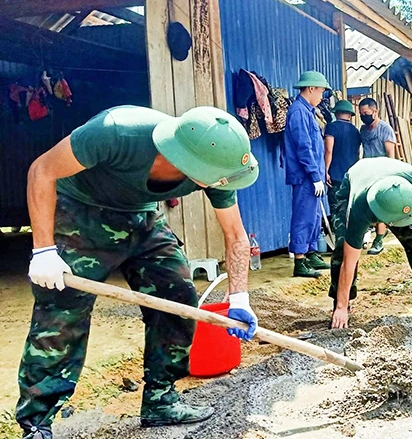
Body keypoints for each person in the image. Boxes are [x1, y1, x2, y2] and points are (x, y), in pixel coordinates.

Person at [19, 105, 260, 438]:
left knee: (178, 296)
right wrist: (43, 250)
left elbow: (235, 235)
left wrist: (240, 296)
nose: (223, 183)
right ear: (190, 163)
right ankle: (36, 423)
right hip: (81, 212)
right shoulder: (116, 132)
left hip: (141, 216)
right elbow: (41, 170)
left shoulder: (218, 168)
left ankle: (160, 400)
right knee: (62, 309)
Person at [329, 157, 412, 329]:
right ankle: (341, 305)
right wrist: (341, 307)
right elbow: (348, 264)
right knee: (342, 249)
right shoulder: (359, 210)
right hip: (356, 180)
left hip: (395, 189)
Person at [284, 71, 332, 278]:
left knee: (315, 215)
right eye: (321, 91)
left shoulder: (308, 111)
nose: (322, 96)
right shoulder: (298, 112)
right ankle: (300, 261)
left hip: (313, 175)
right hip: (305, 176)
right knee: (303, 216)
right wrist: (314, 175)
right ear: (311, 89)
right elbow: (304, 147)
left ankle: (311, 252)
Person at [358, 98, 397, 255]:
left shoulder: (385, 129)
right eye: (361, 113)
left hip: (382, 172)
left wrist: (389, 174)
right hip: (368, 172)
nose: (363, 116)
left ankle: (379, 239)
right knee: (366, 206)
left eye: (366, 113)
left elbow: (390, 154)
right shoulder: (363, 130)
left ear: (375, 112)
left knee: (380, 206)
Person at [323, 100, 361, 216]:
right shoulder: (355, 131)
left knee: (336, 207)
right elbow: (358, 152)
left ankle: (338, 231)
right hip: (352, 175)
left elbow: (329, 150)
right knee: (349, 205)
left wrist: (325, 170)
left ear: (336, 113)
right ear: (350, 115)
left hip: (335, 174)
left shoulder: (332, 127)